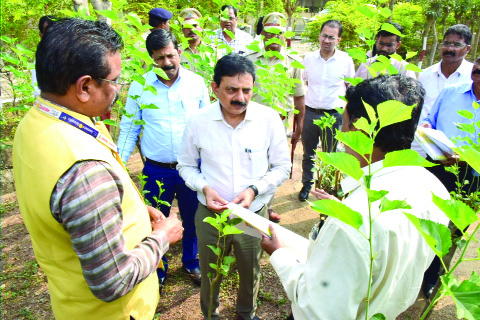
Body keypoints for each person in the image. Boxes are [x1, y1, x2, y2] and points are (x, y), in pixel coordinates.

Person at [13, 18, 183, 320]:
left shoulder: (38, 122)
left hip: (71, 303)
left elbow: (75, 209)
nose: (118, 89)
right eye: (115, 80)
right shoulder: (84, 171)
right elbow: (112, 281)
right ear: (85, 86)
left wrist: (132, 209)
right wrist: (163, 237)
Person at [261, 74, 450, 320]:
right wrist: (345, 209)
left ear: (361, 129)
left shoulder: (352, 226)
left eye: (345, 121)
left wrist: (280, 254)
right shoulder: (435, 190)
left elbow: (316, 311)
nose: (341, 130)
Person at [177, 54, 291, 320]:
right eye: (231, 90)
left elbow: (282, 167)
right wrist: (205, 188)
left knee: (251, 268)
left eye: (246, 90)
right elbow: (186, 166)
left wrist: (254, 190)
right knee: (210, 271)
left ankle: (246, 314)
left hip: (251, 215)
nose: (240, 97)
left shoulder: (269, 120)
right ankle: (210, 315)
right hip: (210, 214)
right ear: (215, 88)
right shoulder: (199, 122)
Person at [117, 29, 209, 289]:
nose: (167, 63)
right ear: (151, 59)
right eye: (159, 59)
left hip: (191, 168)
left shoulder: (196, 83)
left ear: (179, 52)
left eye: (170, 55)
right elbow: (129, 127)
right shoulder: (140, 86)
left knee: (193, 218)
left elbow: (207, 126)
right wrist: (119, 165)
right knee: (155, 219)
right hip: (157, 170)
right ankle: (158, 266)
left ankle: (192, 261)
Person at [246, 12, 306, 222]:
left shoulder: (294, 63)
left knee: (275, 166)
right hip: (252, 121)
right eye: (268, 32)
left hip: (280, 123)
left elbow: (299, 98)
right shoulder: (250, 60)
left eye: (277, 33)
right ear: (262, 34)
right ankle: (253, 202)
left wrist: (298, 128)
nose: (273, 37)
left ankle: (267, 204)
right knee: (253, 161)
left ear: (284, 34)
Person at [299, 20, 355, 201]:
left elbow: (350, 87)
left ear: (338, 39)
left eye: (332, 37)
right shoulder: (308, 59)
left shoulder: (345, 60)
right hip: (310, 113)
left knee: (331, 154)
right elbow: (305, 83)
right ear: (319, 36)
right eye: (324, 35)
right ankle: (307, 185)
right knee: (308, 152)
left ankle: (326, 189)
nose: (327, 40)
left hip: (333, 115)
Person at [420, 56, 480, 193]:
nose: (478, 70)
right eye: (477, 66)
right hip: (436, 164)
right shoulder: (450, 92)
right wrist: (426, 126)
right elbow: (430, 120)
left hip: (471, 175)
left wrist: (467, 158)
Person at [412, 24, 474, 157]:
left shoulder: (473, 76)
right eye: (446, 43)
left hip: (460, 153)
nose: (449, 48)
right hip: (424, 147)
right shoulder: (426, 75)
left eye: (456, 45)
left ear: (467, 49)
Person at [32, 15, 57, 96]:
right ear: (41, 36)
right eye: (48, 32)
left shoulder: (70, 54)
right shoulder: (40, 59)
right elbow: (36, 90)